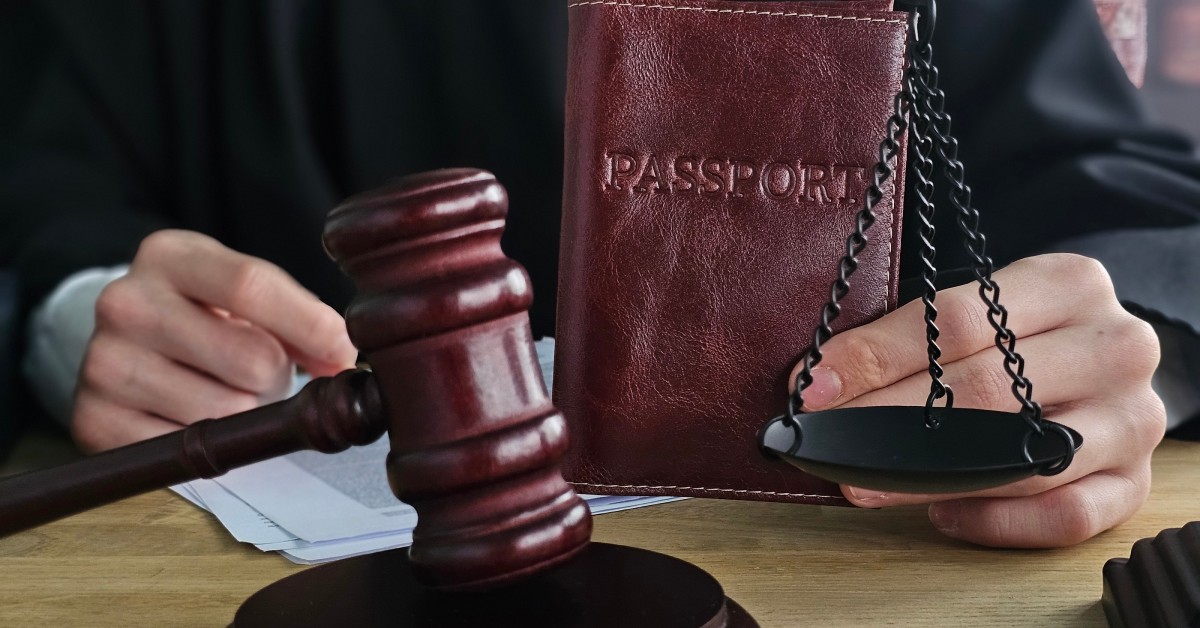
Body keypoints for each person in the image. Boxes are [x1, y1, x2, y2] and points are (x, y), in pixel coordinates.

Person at [0, 0, 1197, 549]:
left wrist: (1111, 338)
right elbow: (41, 178)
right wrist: (60, 312)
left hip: (835, 564)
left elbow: (1137, 202)